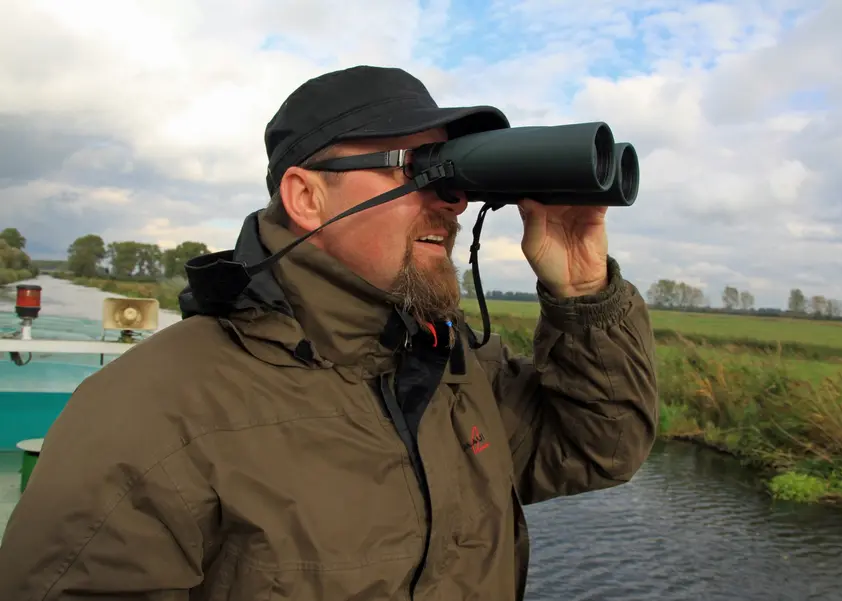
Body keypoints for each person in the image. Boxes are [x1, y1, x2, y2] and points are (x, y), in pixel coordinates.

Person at [0, 65, 658, 600]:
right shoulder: (158, 412)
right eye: (420, 164)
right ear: (306, 196)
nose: (450, 201)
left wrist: (582, 294)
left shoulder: (455, 366)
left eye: (455, 175)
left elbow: (598, 446)